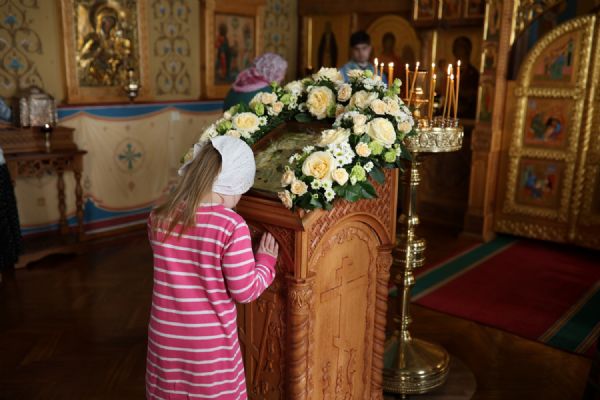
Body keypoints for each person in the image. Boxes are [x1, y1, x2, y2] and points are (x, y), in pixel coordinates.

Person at [145, 136, 279, 399]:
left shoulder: (158, 216)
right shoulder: (231, 225)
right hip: (208, 345)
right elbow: (244, 291)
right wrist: (265, 262)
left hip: (164, 336)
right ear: (235, 183)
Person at [223, 52, 287, 110]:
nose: (283, 77)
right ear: (274, 72)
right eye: (281, 72)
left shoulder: (242, 80)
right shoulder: (268, 93)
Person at [452, 36, 479, 119]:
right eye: (457, 48)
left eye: (462, 47)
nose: (459, 51)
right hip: (451, 112)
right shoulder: (450, 71)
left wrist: (462, 93)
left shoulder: (473, 73)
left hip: (467, 115)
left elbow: (475, 94)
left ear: (467, 50)